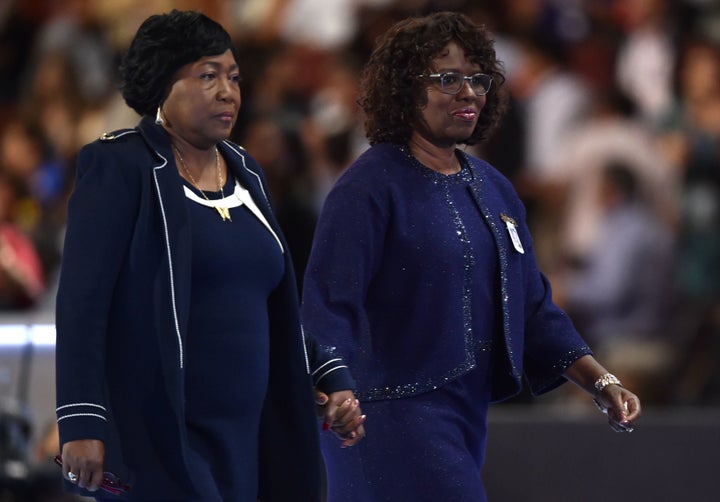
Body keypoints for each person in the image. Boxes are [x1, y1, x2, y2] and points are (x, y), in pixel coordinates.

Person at [300, 11, 641, 502]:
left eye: (477, 79)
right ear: (404, 88)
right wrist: (334, 385)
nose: (468, 92)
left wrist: (601, 381)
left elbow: (533, 306)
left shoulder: (494, 188)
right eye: (447, 78)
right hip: (384, 416)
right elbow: (328, 302)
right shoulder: (368, 186)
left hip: (465, 414)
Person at [54, 10, 364, 502]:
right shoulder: (119, 165)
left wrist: (328, 372)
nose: (228, 91)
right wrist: (80, 420)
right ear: (161, 86)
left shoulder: (247, 171)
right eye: (207, 76)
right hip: (162, 437)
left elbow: (265, 304)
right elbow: (81, 305)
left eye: (234, 77)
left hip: (252, 438)